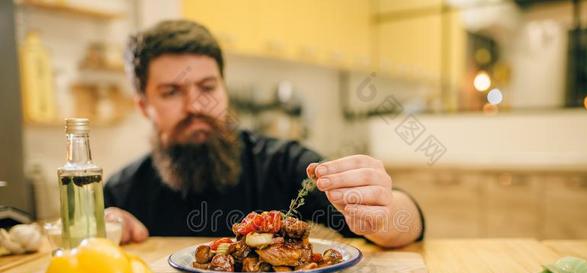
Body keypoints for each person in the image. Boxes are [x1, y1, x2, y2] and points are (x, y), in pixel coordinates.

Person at [104, 19, 424, 248]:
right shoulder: (122, 192)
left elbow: (412, 222)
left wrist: (385, 213)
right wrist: (103, 232)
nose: (195, 106)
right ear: (144, 105)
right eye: (172, 92)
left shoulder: (280, 164)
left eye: (207, 87)